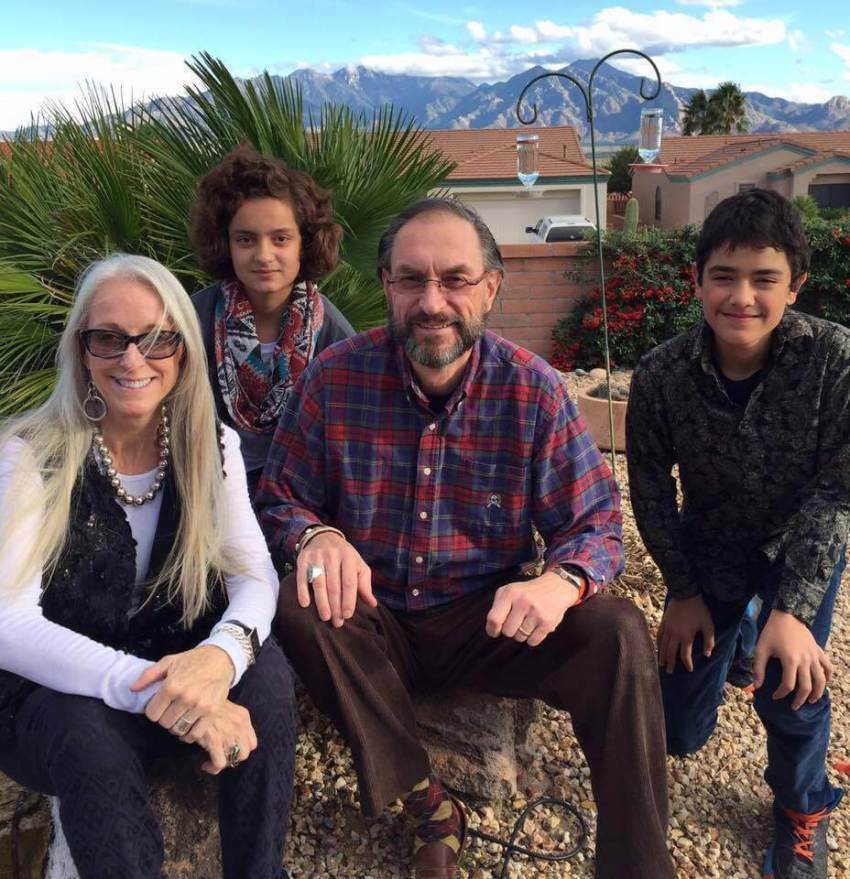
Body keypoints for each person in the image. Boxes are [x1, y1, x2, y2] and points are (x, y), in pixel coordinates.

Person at [258, 197, 676, 879]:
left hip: (489, 623)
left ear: (490, 287)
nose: (433, 301)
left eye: (454, 278)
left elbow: (597, 525)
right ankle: (429, 803)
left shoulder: (533, 391)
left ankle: (638, 867)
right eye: (411, 279)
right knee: (295, 601)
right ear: (386, 285)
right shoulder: (333, 379)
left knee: (620, 629)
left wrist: (560, 579)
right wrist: (315, 536)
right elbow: (280, 496)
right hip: (375, 620)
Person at [0, 254, 296, 879]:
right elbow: (9, 622)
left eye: (157, 338)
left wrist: (220, 659)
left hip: (168, 675)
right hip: (56, 702)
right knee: (86, 735)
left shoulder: (211, 445)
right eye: (109, 338)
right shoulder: (29, 457)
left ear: (184, 350)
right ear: (82, 351)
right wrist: (168, 693)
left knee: (265, 675)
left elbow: (253, 577)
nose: (133, 360)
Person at [626, 188, 849, 879]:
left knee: (794, 681)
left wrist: (792, 611)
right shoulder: (660, 374)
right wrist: (682, 591)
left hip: (798, 546)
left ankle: (801, 807)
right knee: (684, 730)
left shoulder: (834, 360)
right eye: (723, 276)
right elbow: (652, 489)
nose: (741, 297)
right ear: (697, 281)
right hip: (711, 544)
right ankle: (739, 630)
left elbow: (838, 492)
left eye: (764, 279)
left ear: (796, 286)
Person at [189, 143, 354, 495]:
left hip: (302, 500)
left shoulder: (333, 334)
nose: (264, 255)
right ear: (225, 243)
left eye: (280, 239)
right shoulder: (190, 322)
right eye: (246, 239)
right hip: (207, 496)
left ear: (304, 244)